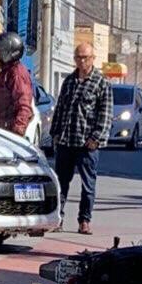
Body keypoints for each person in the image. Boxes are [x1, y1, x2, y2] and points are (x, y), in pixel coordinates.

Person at [49, 43, 112, 235]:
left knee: (88, 185)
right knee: (61, 183)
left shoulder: (101, 83)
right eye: (78, 57)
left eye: (85, 57)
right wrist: (55, 133)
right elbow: (60, 108)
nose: (81, 61)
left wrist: (96, 138)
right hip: (66, 142)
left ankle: (84, 220)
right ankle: (57, 219)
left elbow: (105, 114)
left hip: (86, 144)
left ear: (93, 58)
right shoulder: (69, 81)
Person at [0, 32, 34, 138]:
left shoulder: (17, 74)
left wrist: (16, 134)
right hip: (0, 132)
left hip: (9, 135)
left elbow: (24, 107)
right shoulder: (6, 72)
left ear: (8, 52)